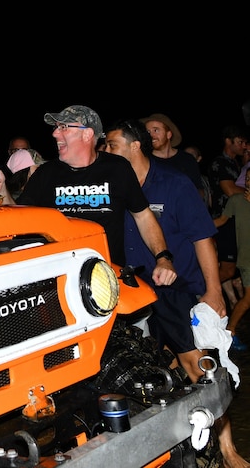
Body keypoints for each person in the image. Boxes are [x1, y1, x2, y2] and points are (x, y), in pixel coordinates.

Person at [103, 119, 248, 468]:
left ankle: (228, 450)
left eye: (111, 144)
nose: (105, 151)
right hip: (134, 297)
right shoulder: (113, 187)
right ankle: (180, 447)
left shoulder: (174, 184)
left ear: (135, 145)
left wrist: (213, 290)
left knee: (200, 369)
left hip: (179, 291)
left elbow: (203, 238)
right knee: (158, 374)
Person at [0, 105, 176, 272]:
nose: (55, 133)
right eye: (56, 127)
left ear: (87, 134)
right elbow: (21, 218)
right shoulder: (46, 173)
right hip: (59, 275)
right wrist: (2, 190)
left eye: (64, 127)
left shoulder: (117, 168)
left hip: (107, 275)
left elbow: (142, 215)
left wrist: (163, 258)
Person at [208, 125, 250, 309]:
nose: (244, 146)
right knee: (228, 268)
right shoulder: (220, 163)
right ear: (228, 141)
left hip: (238, 220)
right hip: (225, 220)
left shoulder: (237, 164)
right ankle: (202, 290)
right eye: (240, 142)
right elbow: (230, 190)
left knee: (235, 268)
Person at [218, 168, 250, 349]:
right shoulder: (237, 200)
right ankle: (230, 332)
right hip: (247, 258)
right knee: (248, 299)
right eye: (247, 178)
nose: (248, 182)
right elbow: (221, 221)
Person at [141, 113, 205, 200]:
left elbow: (199, 190)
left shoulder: (187, 159)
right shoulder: (143, 160)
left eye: (155, 130)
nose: (151, 135)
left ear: (169, 134)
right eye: (148, 132)